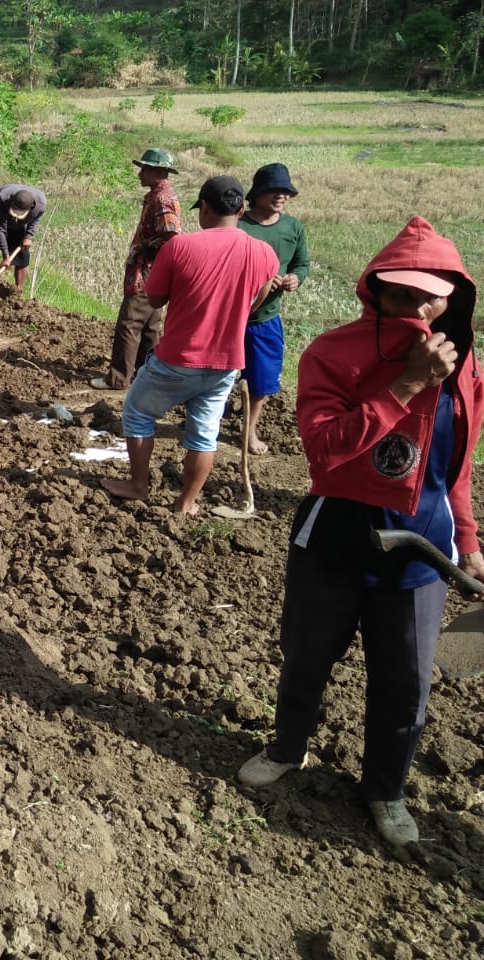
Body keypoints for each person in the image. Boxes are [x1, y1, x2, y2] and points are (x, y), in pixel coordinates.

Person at [237, 217, 482, 848]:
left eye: (430, 294)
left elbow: (454, 466)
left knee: (407, 679)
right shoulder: (334, 352)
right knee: (307, 655)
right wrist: (405, 386)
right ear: (375, 289)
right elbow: (322, 452)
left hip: (420, 546)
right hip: (338, 531)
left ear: (454, 294)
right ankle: (287, 746)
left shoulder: (466, 367)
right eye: (400, 293)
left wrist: (471, 541)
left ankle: (386, 788)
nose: (416, 307)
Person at [100, 176, 278, 514]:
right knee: (203, 435)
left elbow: (153, 298)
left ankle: (138, 485)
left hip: (178, 357)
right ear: (241, 210)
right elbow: (262, 294)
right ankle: (186, 502)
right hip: (226, 363)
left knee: (137, 414)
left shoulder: (180, 247)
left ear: (205, 208)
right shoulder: (263, 252)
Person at [91, 149, 182, 390]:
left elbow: (171, 236)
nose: (140, 173)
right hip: (153, 270)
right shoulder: (157, 195)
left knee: (129, 323)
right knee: (150, 326)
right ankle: (147, 374)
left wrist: (145, 248)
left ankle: (119, 378)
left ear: (160, 172)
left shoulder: (163, 199)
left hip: (148, 271)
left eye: (146, 169)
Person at [237, 162, 310, 455]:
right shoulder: (240, 225)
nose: (281, 196)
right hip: (233, 317)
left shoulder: (293, 227)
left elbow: (301, 264)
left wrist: (296, 278)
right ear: (258, 193)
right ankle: (207, 425)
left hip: (266, 319)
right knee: (217, 375)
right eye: (274, 190)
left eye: (285, 191)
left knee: (261, 381)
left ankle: (249, 431)